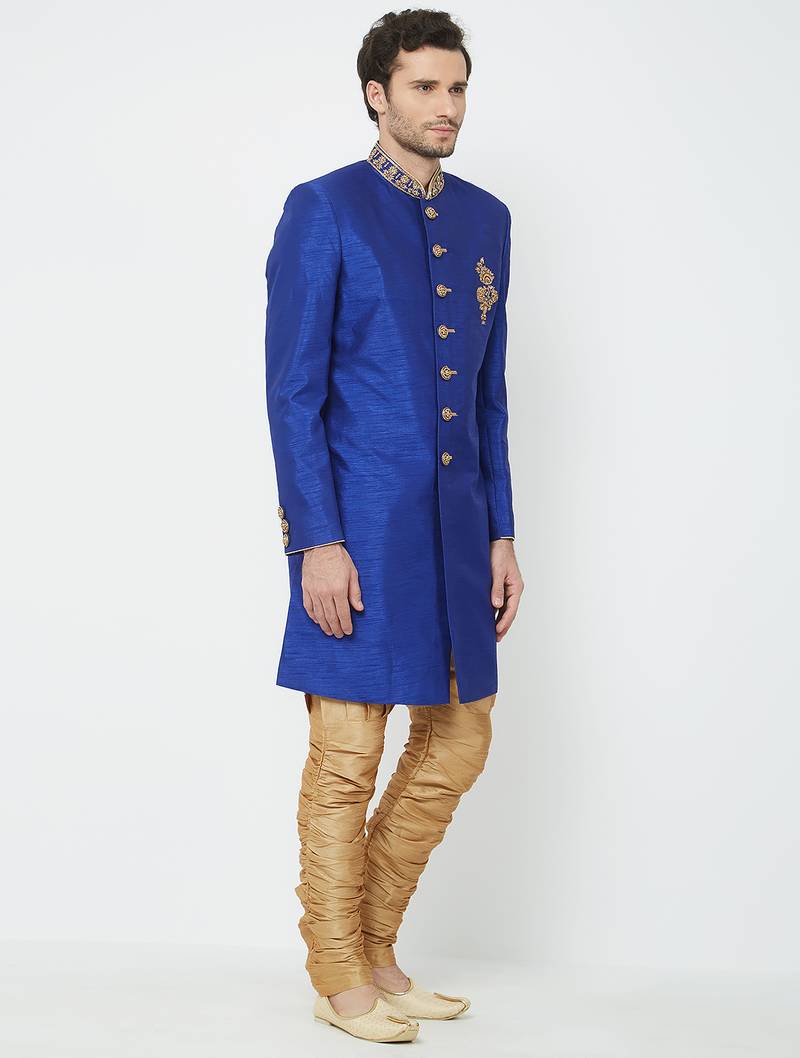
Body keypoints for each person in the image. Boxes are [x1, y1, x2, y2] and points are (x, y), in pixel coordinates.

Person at [264, 8, 524, 1043]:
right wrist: (314, 539)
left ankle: (371, 946)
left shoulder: (487, 218)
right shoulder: (323, 208)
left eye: (456, 87)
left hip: (459, 534)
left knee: (459, 735)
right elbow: (294, 393)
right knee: (346, 754)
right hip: (357, 530)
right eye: (424, 87)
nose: (445, 106)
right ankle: (339, 972)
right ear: (378, 95)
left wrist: (501, 532)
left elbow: (490, 395)